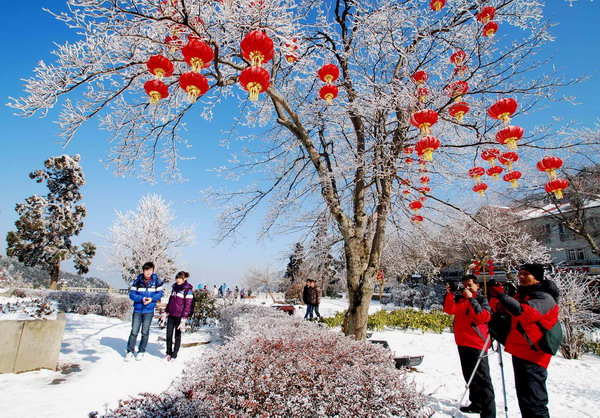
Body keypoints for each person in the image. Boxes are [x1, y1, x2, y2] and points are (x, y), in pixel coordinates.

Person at [488, 264, 559, 418]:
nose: (521, 277)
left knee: (534, 402)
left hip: (534, 354)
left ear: (537, 278)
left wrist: (501, 295)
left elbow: (524, 313)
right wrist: (495, 295)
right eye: (519, 274)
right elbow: (500, 308)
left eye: (526, 274)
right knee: (526, 400)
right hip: (521, 351)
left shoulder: (544, 297)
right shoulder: (523, 295)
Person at [444, 275, 495, 417]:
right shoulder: (461, 299)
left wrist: (471, 298)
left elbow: (482, 317)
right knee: (469, 376)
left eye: (470, 285)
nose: (466, 287)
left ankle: (489, 412)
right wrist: (450, 293)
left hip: (477, 343)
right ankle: (476, 404)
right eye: (464, 285)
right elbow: (450, 310)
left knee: (483, 379)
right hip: (462, 341)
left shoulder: (481, 300)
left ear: (477, 286)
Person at [125, 262, 164, 361]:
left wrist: (151, 299)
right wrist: (141, 298)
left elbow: (160, 294)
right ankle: (130, 351)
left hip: (149, 310)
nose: (148, 272)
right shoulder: (137, 281)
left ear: (153, 270)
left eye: (150, 270)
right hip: (138, 309)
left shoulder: (157, 281)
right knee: (134, 331)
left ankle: (141, 351)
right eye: (147, 270)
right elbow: (132, 295)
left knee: (145, 332)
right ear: (143, 270)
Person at [163, 271, 193, 361]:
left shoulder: (187, 290)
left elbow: (188, 305)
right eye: (177, 278)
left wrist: (184, 318)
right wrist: (166, 312)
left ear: (184, 279)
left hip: (179, 316)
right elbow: (170, 301)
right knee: (168, 334)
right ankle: (168, 352)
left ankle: (174, 353)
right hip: (171, 314)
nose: (178, 280)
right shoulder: (174, 288)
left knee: (177, 335)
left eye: (180, 278)